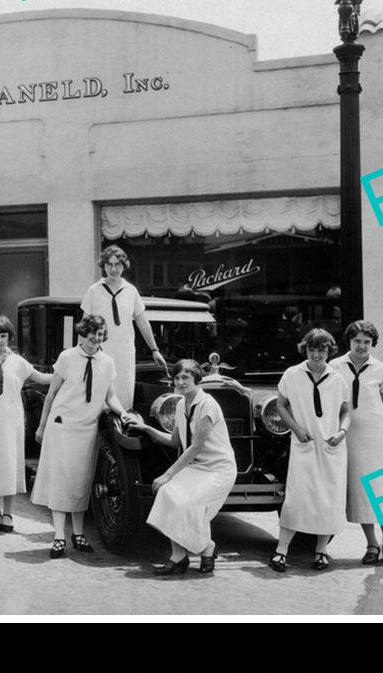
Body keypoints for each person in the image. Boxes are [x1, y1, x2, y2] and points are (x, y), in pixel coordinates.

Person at [31, 314, 140, 558]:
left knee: (81, 483)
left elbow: (110, 397)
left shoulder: (107, 361)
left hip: (87, 429)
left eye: (100, 334)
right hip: (61, 426)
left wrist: (123, 414)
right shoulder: (67, 357)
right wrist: (41, 427)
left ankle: (78, 535)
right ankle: (59, 537)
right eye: (92, 333)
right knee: (61, 482)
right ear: (83, 332)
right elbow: (51, 395)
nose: (96, 338)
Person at [133, 359, 237, 576]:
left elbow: (196, 447)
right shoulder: (181, 404)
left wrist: (167, 474)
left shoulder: (208, 405)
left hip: (218, 469)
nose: (180, 382)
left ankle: (206, 548)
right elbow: (174, 441)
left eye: (185, 378)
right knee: (168, 493)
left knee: (189, 503)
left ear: (196, 379)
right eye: (177, 378)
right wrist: (146, 428)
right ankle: (179, 556)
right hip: (196, 468)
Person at [270, 328, 352, 572]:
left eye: (322, 349)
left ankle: (321, 551)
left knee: (327, 499)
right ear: (305, 349)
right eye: (312, 349)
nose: (316, 354)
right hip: (304, 444)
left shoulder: (337, 378)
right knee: (297, 498)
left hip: (331, 446)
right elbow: (281, 405)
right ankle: (281, 551)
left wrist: (342, 432)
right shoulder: (292, 374)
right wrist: (295, 428)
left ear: (330, 350)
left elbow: (346, 411)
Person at [0, 315, 53, 532]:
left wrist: (66, 370)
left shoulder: (18, 362)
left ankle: (9, 514)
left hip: (11, 422)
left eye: (3, 336)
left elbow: (42, 378)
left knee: (10, 466)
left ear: (10, 337)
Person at [333, 320, 383, 567]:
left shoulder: (381, 369)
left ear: (372, 344)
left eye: (366, 342)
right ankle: (371, 544)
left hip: (376, 437)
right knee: (362, 491)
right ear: (349, 342)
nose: (361, 346)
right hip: (351, 438)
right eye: (357, 341)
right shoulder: (335, 366)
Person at [79, 245, 166, 410]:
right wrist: (81, 354)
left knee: (124, 395)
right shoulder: (94, 291)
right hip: (100, 352)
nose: (113, 269)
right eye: (109, 264)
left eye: (117, 264)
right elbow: (85, 326)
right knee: (99, 398)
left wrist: (154, 349)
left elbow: (142, 322)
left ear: (124, 266)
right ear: (103, 266)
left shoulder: (131, 291)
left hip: (124, 353)